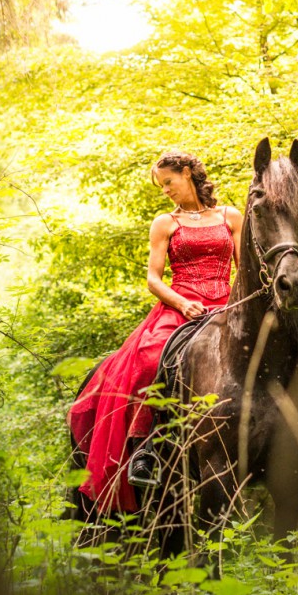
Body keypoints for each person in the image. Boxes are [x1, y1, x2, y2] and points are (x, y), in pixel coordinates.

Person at [68, 150, 242, 514]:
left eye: (168, 182)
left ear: (186, 173)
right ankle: (146, 448)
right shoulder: (165, 222)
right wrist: (181, 304)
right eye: (161, 186)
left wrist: (238, 303)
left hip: (228, 305)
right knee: (148, 360)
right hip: (182, 306)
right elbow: (153, 279)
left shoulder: (231, 216)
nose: (165, 191)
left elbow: (244, 268)